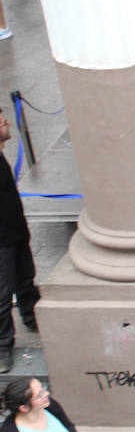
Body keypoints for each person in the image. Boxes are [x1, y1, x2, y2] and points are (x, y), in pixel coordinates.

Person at [0, 110, 38, 374]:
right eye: (3, 122)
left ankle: (31, 316)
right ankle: (3, 348)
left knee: (26, 278)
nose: (8, 123)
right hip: (1, 241)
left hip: (16, 230)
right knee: (2, 295)